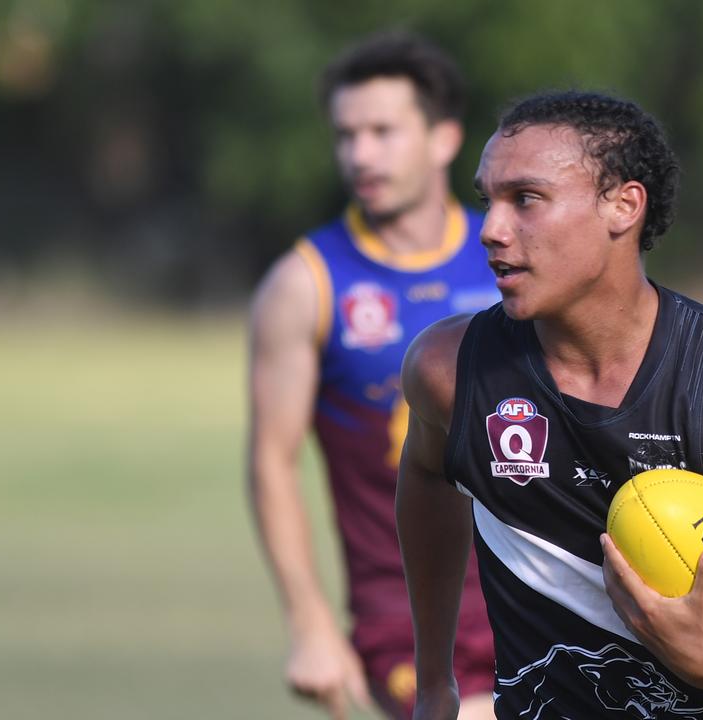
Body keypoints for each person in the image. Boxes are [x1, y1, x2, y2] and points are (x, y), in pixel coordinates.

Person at [397, 90, 703, 719]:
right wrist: (434, 679)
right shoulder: (449, 371)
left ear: (623, 206)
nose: (491, 230)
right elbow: (426, 477)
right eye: (486, 200)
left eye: (526, 199)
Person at [246, 30, 498, 720]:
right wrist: (309, 625)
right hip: (411, 619)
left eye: (383, 131)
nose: (360, 154)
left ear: (444, 138)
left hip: (542, 594)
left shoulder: (509, 257)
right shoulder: (306, 284)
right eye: (346, 135)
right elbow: (271, 461)